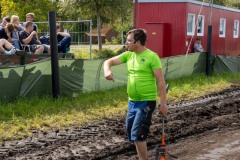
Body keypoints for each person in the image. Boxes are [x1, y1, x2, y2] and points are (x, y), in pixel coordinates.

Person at [104, 28, 167, 160]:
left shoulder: (152, 57)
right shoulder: (129, 55)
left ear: (137, 42)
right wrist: (107, 72)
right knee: (132, 135)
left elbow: (161, 81)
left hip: (146, 102)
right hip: (132, 102)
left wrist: (163, 104)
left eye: (128, 41)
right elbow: (108, 62)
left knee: (138, 135)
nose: (126, 44)